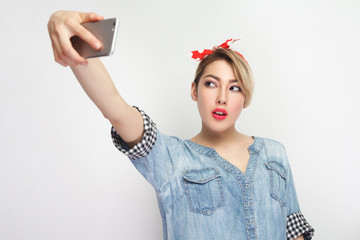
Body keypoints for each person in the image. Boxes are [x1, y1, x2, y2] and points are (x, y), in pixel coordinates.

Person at [47, 10, 315, 240]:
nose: (222, 97)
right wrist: (73, 43)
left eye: (234, 88)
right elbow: (117, 110)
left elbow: (294, 230)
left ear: (244, 99)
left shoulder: (275, 153)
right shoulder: (171, 159)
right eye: (211, 83)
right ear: (195, 90)